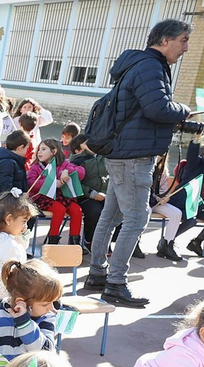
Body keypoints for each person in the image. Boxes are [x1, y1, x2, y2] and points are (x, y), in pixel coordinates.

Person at [82, 19, 196, 308]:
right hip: (133, 156)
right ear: (165, 40)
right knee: (137, 219)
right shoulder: (150, 66)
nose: (186, 47)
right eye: (183, 40)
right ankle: (116, 283)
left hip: (123, 152)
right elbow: (157, 108)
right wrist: (184, 110)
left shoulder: (138, 64)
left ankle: (97, 273)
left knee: (111, 216)